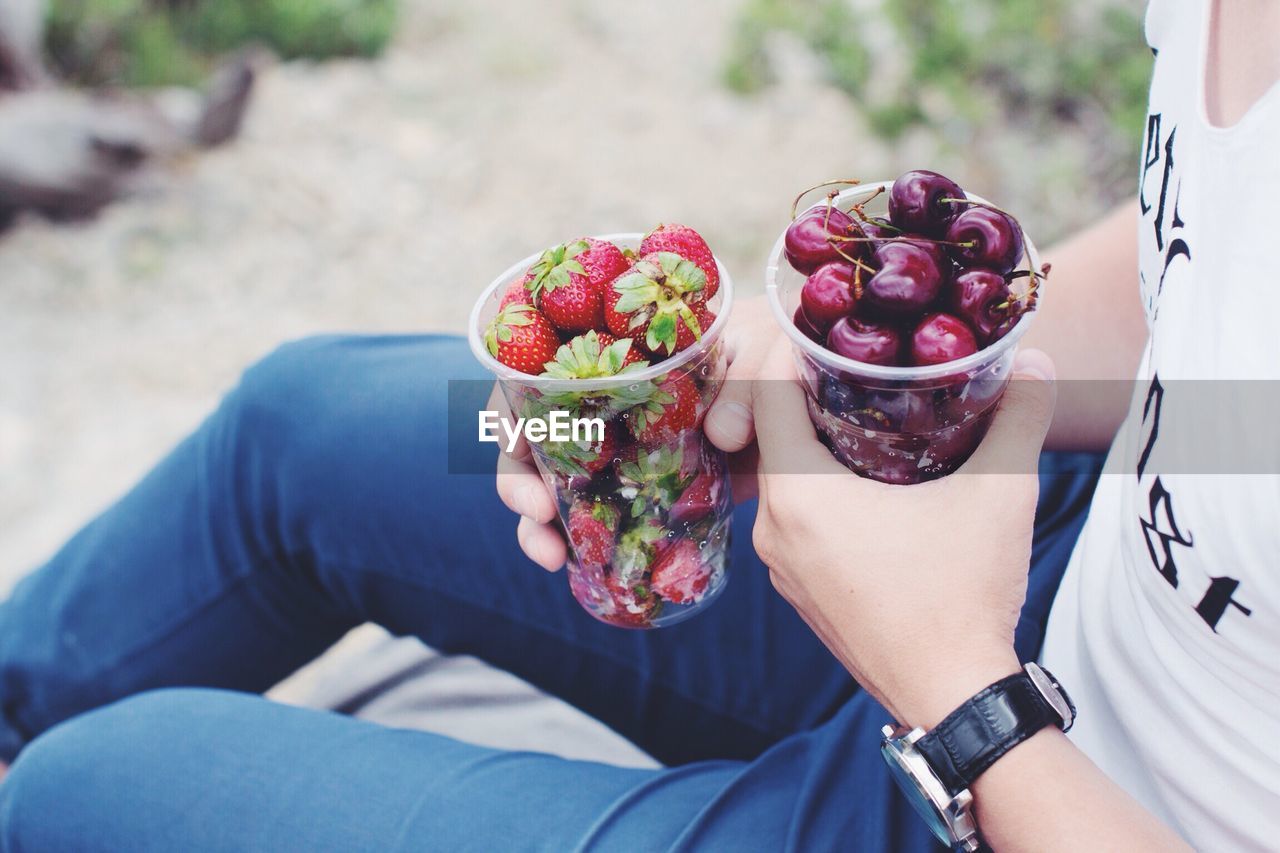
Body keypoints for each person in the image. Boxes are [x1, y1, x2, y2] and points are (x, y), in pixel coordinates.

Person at [0, 0, 1273, 848]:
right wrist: (847, 376)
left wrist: (954, 682)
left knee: (83, 794)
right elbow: (1203, 293)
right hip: (1052, 557)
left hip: (1045, 785)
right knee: (295, 424)